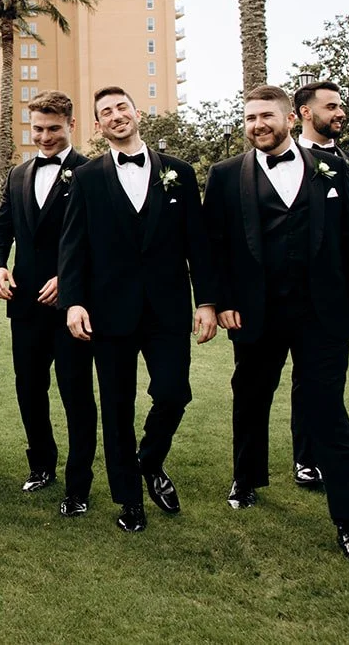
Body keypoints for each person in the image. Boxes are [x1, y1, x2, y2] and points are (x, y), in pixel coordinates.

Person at [204, 85, 349, 564]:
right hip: (254, 312)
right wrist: (219, 300)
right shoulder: (225, 176)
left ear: (291, 119)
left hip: (321, 313)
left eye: (265, 116)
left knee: (325, 408)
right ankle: (245, 478)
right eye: (249, 118)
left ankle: (347, 523)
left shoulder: (331, 168)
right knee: (250, 397)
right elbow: (214, 247)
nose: (256, 125)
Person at [59, 86, 217, 532]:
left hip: (167, 309)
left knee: (173, 393)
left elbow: (197, 244)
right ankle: (129, 500)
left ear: (137, 112)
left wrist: (205, 300)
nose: (115, 116)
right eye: (105, 112)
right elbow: (73, 248)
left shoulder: (179, 173)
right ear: (97, 125)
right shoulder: (86, 178)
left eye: (121, 107)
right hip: (109, 312)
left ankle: (148, 461)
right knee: (116, 406)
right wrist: (73, 303)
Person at [0, 91, 98, 513]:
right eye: (38, 129)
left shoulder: (91, 172)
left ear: (71, 124)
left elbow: (100, 243)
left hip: (73, 308)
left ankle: (78, 486)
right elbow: (0, 231)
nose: (45, 137)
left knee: (75, 393)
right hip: (25, 306)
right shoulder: (17, 174)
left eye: (53, 128)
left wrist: (67, 283)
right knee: (29, 388)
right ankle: (41, 466)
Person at [291, 80, 349, 487]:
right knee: (304, 377)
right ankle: (306, 459)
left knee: (331, 376)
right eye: (331, 106)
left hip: (339, 291)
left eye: (341, 105)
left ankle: (334, 458)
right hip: (293, 292)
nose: (340, 112)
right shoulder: (284, 160)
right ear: (306, 112)